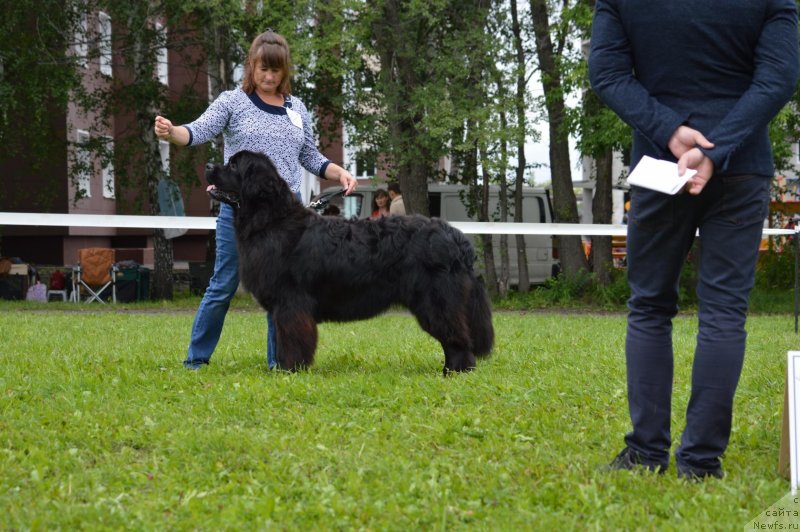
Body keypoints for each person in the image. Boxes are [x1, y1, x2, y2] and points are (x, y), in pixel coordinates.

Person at [589, 1, 799, 480]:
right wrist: (718, 149)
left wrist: (671, 133)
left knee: (649, 307)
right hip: (741, 165)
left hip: (662, 164)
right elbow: (777, 78)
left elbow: (607, 73)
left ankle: (645, 455)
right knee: (724, 312)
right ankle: (701, 464)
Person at [154, 29, 357, 370]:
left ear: (285, 70)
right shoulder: (232, 102)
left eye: (275, 70)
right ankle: (196, 360)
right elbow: (199, 131)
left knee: (283, 290)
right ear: (251, 65)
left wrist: (339, 173)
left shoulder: (297, 109)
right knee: (222, 286)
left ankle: (279, 362)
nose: (268, 76)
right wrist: (172, 132)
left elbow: (309, 154)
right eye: (263, 68)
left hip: (286, 217)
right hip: (241, 214)